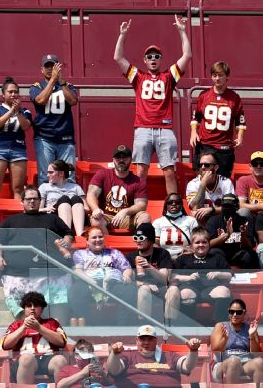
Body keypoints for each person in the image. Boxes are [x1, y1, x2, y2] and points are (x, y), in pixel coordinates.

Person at [114, 16, 191, 196]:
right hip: (143, 128)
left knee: (169, 171)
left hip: (165, 128)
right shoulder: (138, 76)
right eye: (150, 56)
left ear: (161, 60)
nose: (153, 59)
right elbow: (118, 57)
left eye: (157, 56)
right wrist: (122, 35)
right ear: (145, 60)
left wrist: (182, 31)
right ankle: (138, 207)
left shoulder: (168, 76)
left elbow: (187, 55)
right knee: (140, 172)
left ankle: (173, 206)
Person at [0, 186, 74, 317]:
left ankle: (56, 334)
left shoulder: (52, 219)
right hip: (17, 274)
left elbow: (68, 234)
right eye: (28, 199)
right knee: (22, 313)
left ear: (40, 200)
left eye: (35, 199)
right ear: (22, 201)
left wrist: (67, 240)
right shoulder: (10, 221)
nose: (32, 202)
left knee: (58, 311)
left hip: (51, 273)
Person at [30, 54, 78, 191]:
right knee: (46, 176)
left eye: (53, 65)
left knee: (68, 176)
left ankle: (69, 202)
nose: (51, 69)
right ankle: (44, 206)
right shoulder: (36, 86)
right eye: (47, 66)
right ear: (42, 69)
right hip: (44, 138)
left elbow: (73, 101)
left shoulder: (67, 85)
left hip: (66, 138)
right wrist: (52, 81)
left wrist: (61, 82)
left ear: (59, 67)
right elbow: (40, 100)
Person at [190, 61, 246, 178]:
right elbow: (195, 118)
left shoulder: (234, 98)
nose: (217, 78)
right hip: (205, 144)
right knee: (202, 178)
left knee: (223, 179)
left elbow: (240, 121)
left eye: (220, 75)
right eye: (214, 75)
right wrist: (193, 132)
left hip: (224, 147)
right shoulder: (204, 96)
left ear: (227, 77)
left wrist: (240, 137)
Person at [165, 227, 232, 325]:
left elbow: (229, 275)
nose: (201, 245)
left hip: (211, 288)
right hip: (189, 286)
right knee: (185, 294)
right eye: (197, 242)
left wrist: (218, 274)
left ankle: (219, 326)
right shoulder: (183, 258)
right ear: (192, 245)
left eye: (204, 242)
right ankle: (188, 326)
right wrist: (187, 277)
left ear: (209, 244)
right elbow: (171, 276)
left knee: (224, 291)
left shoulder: (217, 257)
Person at [0, 291, 67, 384]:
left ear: (42, 309)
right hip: (23, 362)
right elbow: (5, 345)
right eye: (28, 306)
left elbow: (62, 342)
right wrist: (23, 327)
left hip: (48, 360)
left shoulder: (52, 323)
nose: (32, 308)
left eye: (36, 305)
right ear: (24, 309)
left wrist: (39, 328)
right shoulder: (16, 325)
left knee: (60, 360)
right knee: (27, 358)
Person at [104, 326, 203, 388]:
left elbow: (187, 366)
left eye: (150, 339)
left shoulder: (169, 355)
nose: (146, 342)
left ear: (156, 341)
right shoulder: (128, 355)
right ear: (136, 341)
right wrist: (114, 353)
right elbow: (113, 370)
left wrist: (193, 350)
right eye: (142, 339)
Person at [70, 227, 134, 318]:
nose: (98, 240)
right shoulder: (80, 254)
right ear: (87, 241)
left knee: (129, 290)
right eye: (94, 237)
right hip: (89, 283)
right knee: (76, 291)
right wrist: (91, 281)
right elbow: (78, 270)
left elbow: (126, 268)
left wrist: (126, 276)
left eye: (100, 237)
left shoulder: (114, 253)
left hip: (113, 283)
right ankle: (87, 325)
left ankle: (123, 325)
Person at [0, 77, 32, 201]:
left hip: (18, 149)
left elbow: (26, 126)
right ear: (3, 94)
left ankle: (19, 218)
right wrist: (12, 109)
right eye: (10, 92)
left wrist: (17, 112)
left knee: (18, 188)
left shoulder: (25, 111)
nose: (13, 94)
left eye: (16, 92)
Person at [85, 144, 149, 233]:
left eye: (125, 158)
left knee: (145, 217)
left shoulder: (138, 181)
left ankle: (138, 245)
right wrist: (95, 208)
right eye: (118, 158)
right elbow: (91, 194)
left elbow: (142, 204)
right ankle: (107, 245)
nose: (121, 160)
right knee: (95, 220)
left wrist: (126, 211)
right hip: (105, 216)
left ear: (131, 160)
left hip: (127, 217)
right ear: (113, 160)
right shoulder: (102, 174)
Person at [210, 298, 263, 384]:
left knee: (260, 362)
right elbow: (216, 350)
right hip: (223, 363)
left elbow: (256, 354)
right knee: (234, 361)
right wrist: (224, 339)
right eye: (232, 311)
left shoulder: (250, 328)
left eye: (238, 312)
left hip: (245, 363)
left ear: (244, 313)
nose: (235, 315)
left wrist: (251, 336)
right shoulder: (221, 326)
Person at [127, 222, 173, 320]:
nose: (138, 241)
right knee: (145, 290)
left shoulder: (162, 254)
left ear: (151, 240)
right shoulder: (130, 256)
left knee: (173, 291)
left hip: (160, 287)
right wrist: (145, 284)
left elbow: (164, 280)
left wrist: (149, 266)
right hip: (140, 289)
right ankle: (144, 328)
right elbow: (128, 280)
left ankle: (171, 327)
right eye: (135, 238)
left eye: (141, 238)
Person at [203, 193, 257, 269]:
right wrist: (227, 235)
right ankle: (219, 278)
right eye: (225, 206)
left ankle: (248, 278)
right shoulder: (213, 220)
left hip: (238, 252)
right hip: (221, 252)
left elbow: (250, 246)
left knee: (250, 254)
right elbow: (208, 244)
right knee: (213, 253)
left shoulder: (245, 220)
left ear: (237, 207)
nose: (227, 209)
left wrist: (243, 235)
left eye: (230, 206)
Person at [38, 159, 85, 237]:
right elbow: (39, 209)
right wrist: (46, 208)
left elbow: (86, 208)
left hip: (76, 218)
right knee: (64, 199)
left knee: (75, 199)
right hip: (54, 216)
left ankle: (80, 236)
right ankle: (66, 234)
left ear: (61, 173)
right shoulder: (44, 187)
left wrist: (74, 208)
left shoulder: (75, 187)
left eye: (51, 172)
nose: (47, 175)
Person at [183, 151, 232, 225]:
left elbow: (231, 208)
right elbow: (195, 207)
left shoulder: (226, 182)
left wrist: (212, 210)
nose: (202, 167)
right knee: (194, 214)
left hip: (221, 218)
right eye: (200, 165)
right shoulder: (193, 184)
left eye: (206, 165)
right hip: (203, 218)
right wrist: (203, 183)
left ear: (216, 167)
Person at [234, 150, 263, 218]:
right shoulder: (243, 180)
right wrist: (260, 206)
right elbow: (241, 205)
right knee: (242, 212)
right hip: (251, 217)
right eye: (255, 163)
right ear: (250, 166)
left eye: (262, 163)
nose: (258, 166)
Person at [151, 193, 197, 258]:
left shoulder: (191, 220)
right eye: (170, 202)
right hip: (164, 257)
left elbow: (196, 240)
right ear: (166, 205)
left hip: (186, 256)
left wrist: (190, 249)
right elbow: (155, 244)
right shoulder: (158, 222)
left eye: (177, 202)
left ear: (181, 205)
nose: (174, 204)